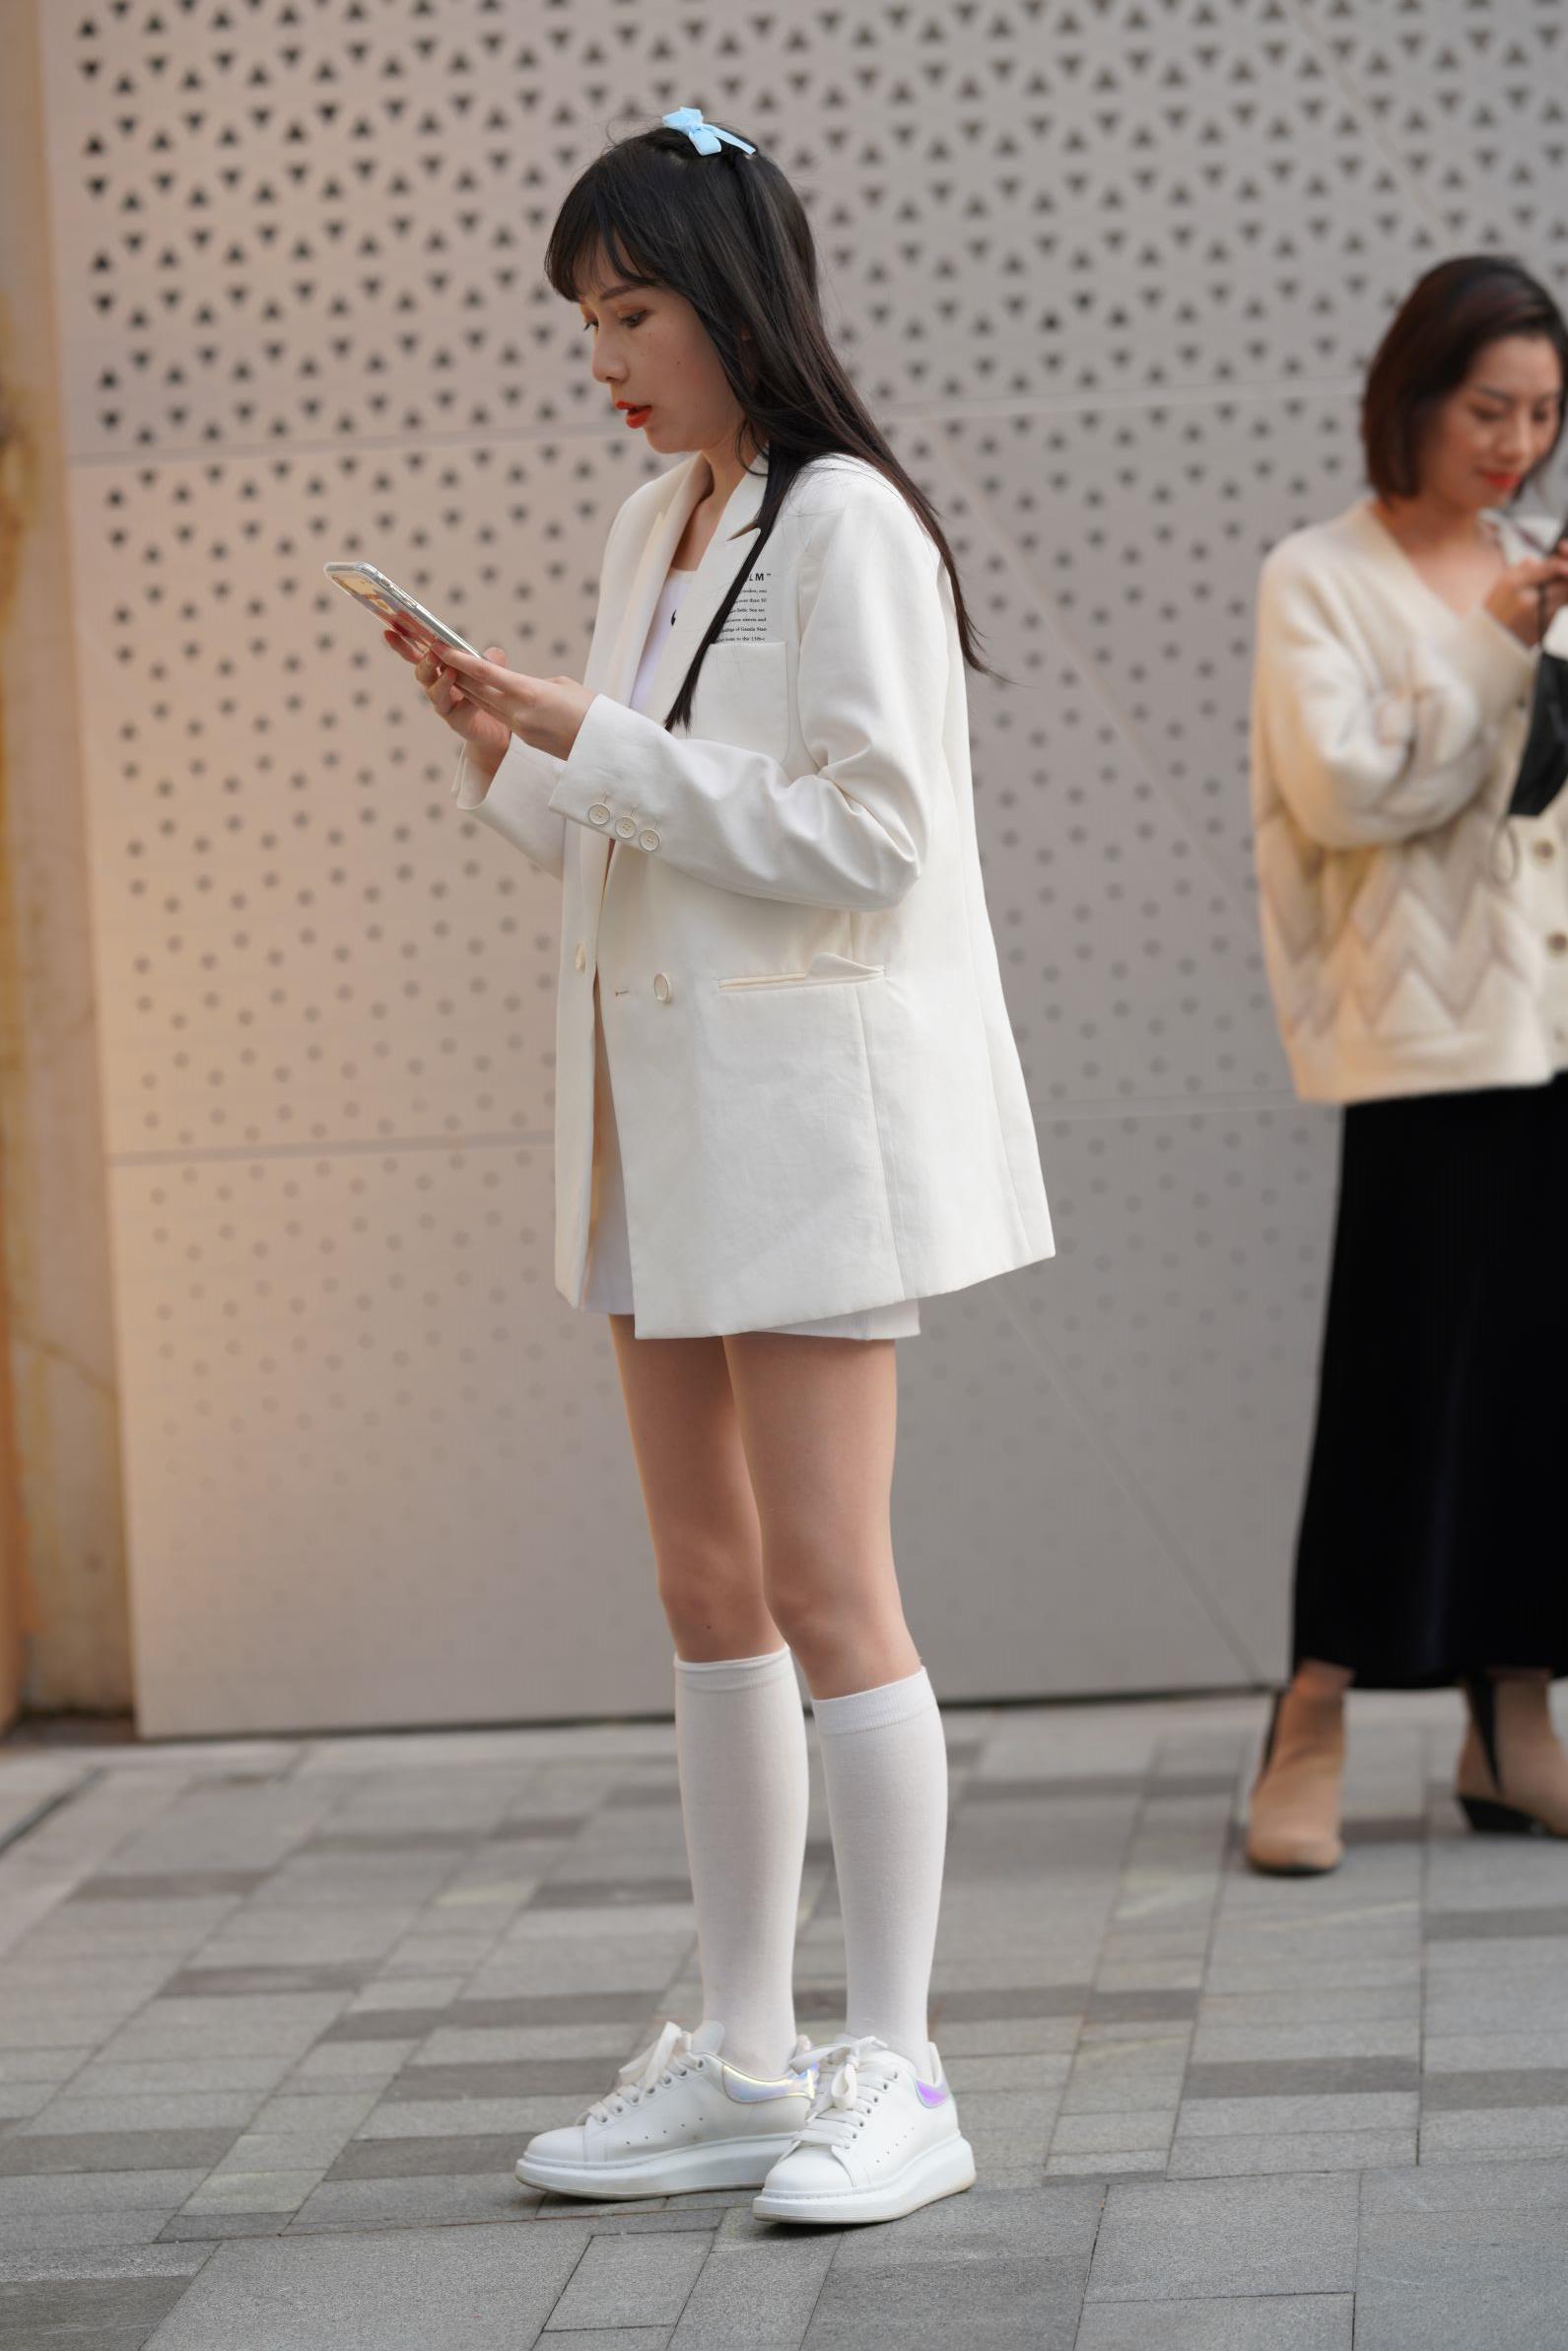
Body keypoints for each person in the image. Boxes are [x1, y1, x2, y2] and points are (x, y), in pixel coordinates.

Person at [380, 105, 1054, 2223]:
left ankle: (901, 2067)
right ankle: (751, 2056)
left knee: (832, 1583)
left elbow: (872, 833)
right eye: (585, 321)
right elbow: (641, 830)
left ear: (732, 299)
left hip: (801, 1123)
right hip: (650, 1115)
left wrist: (595, 741)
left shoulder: (849, 524)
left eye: (633, 311)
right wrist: (503, 749)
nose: (604, 356)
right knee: (705, 1586)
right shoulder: (649, 523)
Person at [1247, 253, 1568, 1876]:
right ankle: (1311, 1712)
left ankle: (1517, 1720)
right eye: (1488, 408)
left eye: (1545, 414)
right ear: (1416, 398)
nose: (1516, 444)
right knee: (1397, 1378)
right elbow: (1344, 789)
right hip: (1421, 1036)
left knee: (1542, 1388)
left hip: (1557, 1029)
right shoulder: (1319, 576)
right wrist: (1495, 649)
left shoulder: (1539, 563)